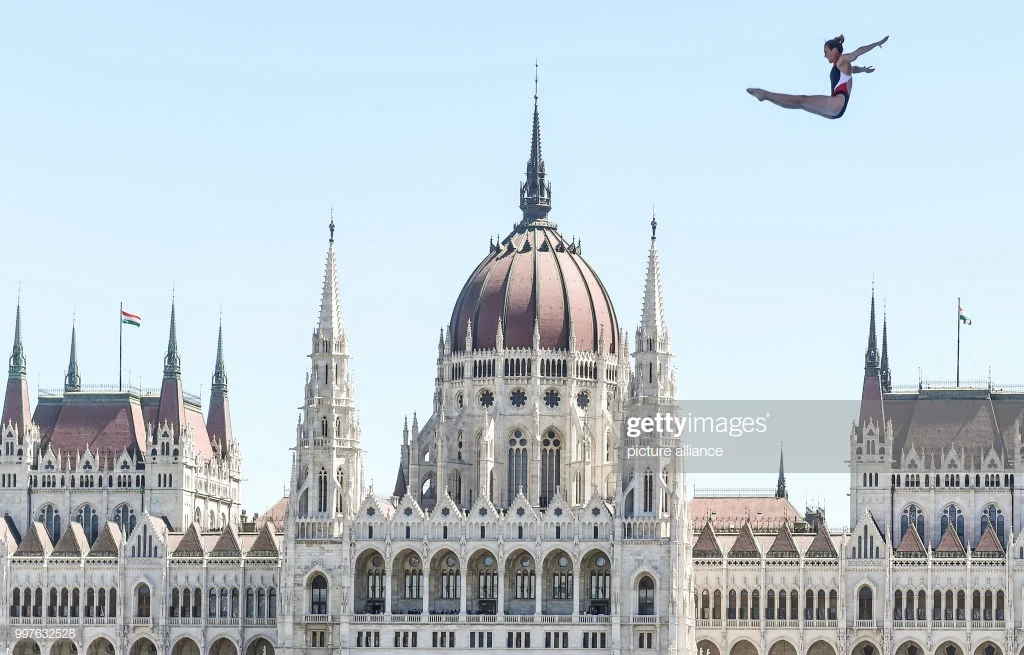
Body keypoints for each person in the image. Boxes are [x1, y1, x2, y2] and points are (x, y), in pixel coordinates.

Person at [747, 34, 889, 119]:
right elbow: (853, 69)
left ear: (834, 50)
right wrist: (863, 69)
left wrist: (876, 44)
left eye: (825, 52)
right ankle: (766, 97)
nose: (824, 55)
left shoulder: (842, 60)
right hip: (835, 111)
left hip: (836, 103)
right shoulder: (841, 66)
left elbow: (857, 52)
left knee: (802, 100)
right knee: (800, 105)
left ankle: (765, 94)